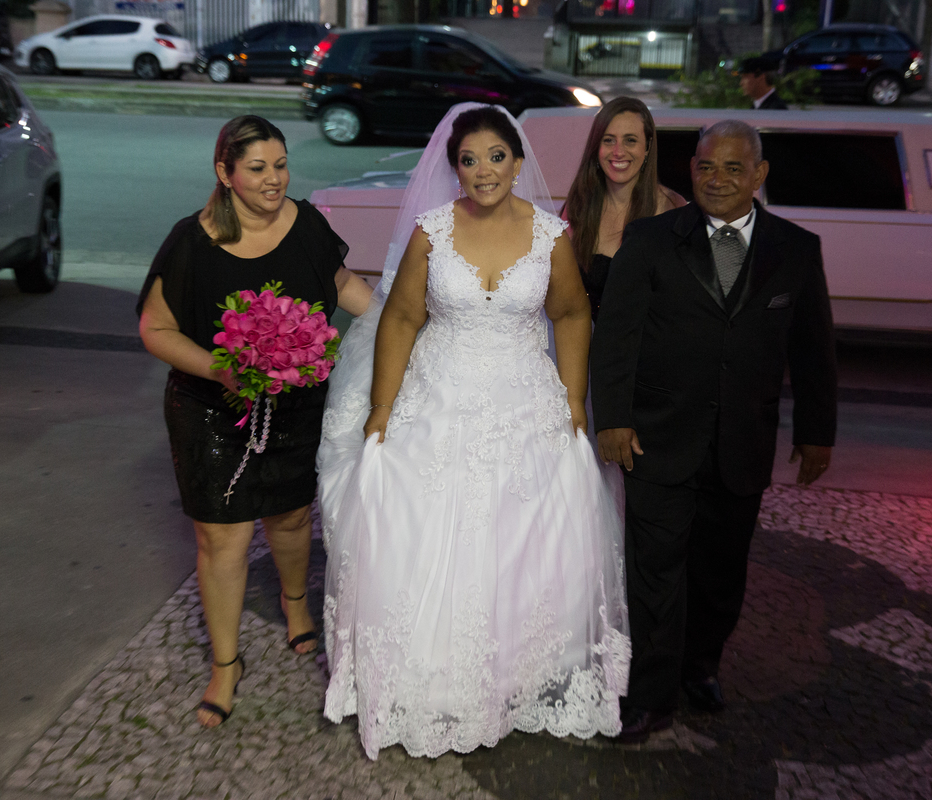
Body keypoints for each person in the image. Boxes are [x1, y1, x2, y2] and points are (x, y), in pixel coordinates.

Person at [317, 103, 631, 760]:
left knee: (519, 536)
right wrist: (381, 408)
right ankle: (428, 677)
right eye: (469, 159)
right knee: (427, 531)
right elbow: (401, 320)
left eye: (495, 157)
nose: (482, 171)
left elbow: (572, 314)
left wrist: (574, 402)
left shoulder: (551, 236)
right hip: (439, 396)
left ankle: (515, 674)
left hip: (525, 401)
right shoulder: (433, 233)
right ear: (454, 167)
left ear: (518, 162)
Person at [590, 119, 836, 743]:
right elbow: (616, 337)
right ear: (690, 168)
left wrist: (817, 431)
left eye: (733, 168)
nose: (718, 179)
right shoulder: (648, 240)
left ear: (759, 174)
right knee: (655, 572)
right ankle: (650, 695)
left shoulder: (796, 248)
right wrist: (613, 419)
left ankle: (702, 666)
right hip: (657, 437)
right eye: (706, 166)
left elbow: (813, 349)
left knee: (722, 571)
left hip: (743, 442)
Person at [137, 115, 372, 729]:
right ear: (225, 172)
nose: (275, 180)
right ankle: (225, 663)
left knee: (292, 515)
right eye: (259, 168)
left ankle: (296, 606)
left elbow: (345, 285)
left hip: (294, 405)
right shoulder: (192, 242)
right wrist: (220, 370)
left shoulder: (308, 224)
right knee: (223, 536)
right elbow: (155, 330)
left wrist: (411, 321)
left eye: (282, 165)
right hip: (211, 409)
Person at [562, 96, 686, 321]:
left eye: (630, 140)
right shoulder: (577, 205)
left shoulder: (672, 209)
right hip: (585, 348)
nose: (618, 151)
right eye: (609, 140)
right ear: (596, 147)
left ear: (647, 147)